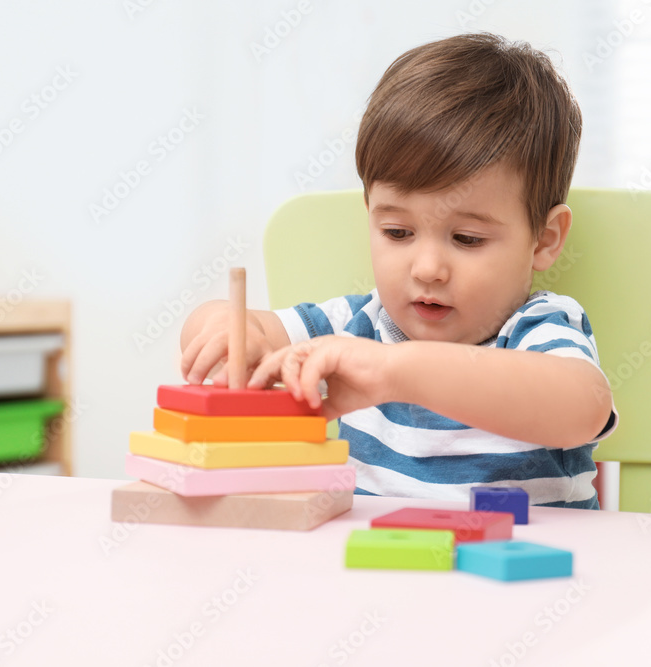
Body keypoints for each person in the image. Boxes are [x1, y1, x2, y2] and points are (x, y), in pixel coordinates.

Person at [179, 33, 618, 509]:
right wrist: (230, 329)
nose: (428, 269)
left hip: (523, 575)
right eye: (397, 232)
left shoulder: (536, 329)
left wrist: (395, 372)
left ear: (545, 239)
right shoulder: (355, 327)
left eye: (467, 239)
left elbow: (583, 406)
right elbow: (234, 331)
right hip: (380, 574)